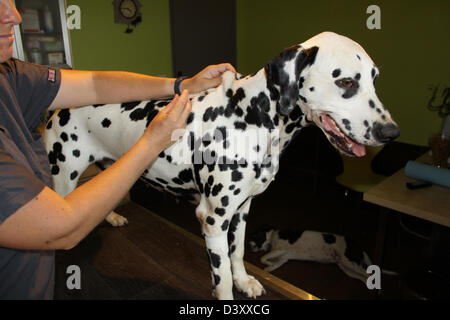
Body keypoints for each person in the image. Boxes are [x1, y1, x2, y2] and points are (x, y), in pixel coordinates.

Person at [0, 0, 235, 299]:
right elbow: (62, 228)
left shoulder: (9, 76)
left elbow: (96, 85)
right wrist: (151, 142)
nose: (15, 15)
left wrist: (181, 85)